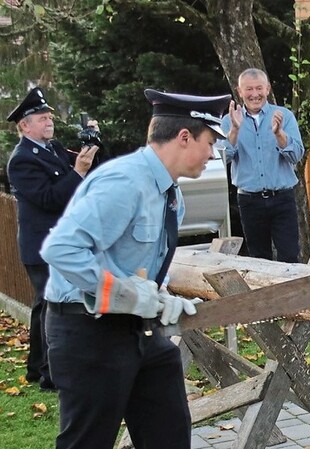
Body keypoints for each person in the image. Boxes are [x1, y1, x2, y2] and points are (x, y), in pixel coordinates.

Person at [40, 89, 230, 449]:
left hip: (136, 333)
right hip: (87, 331)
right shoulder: (125, 182)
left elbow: (138, 267)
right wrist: (127, 293)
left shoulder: (171, 196)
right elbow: (61, 249)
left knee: (169, 431)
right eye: (209, 142)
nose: (212, 152)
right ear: (184, 137)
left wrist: (160, 295)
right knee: (87, 442)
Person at [5, 87, 98, 391]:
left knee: (42, 305)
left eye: (49, 117)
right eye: (42, 118)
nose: (49, 122)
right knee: (52, 306)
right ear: (24, 126)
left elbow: (85, 165)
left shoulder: (52, 147)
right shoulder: (21, 160)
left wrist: (93, 143)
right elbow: (49, 199)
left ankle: (36, 367)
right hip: (42, 245)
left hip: (57, 242)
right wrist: (78, 171)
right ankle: (50, 374)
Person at [222, 68, 305, 262]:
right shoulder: (229, 120)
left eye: (259, 88)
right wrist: (234, 130)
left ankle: (289, 293)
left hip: (282, 198)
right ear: (240, 91)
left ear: (267, 89)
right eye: (249, 89)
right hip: (250, 201)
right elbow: (222, 159)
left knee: (290, 257)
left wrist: (279, 135)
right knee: (259, 259)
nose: (254, 94)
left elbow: (296, 155)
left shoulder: (284, 116)